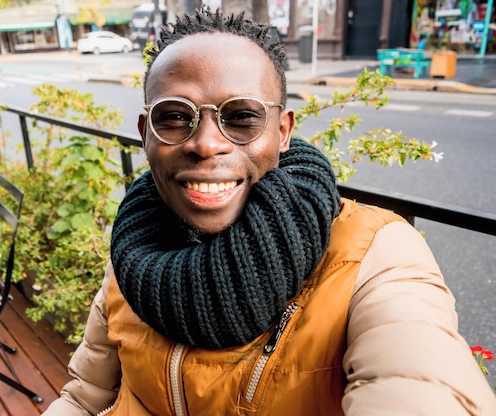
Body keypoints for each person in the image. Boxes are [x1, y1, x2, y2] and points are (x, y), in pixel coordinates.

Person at [43, 8, 496, 416]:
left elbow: (419, 384)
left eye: (241, 117)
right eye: (174, 117)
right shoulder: (134, 248)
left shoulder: (377, 256)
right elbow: (84, 396)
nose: (206, 143)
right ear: (146, 135)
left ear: (282, 132)